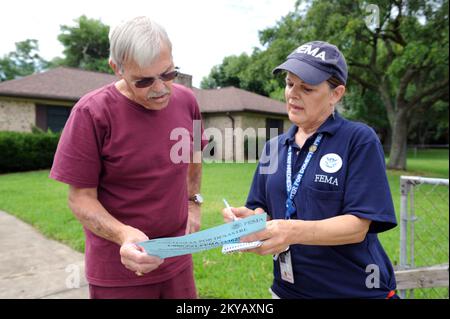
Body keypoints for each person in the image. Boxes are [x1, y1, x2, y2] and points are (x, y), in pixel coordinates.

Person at [223, 41, 398, 299]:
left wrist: (290, 231)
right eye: (289, 83)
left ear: (336, 94)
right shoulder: (273, 146)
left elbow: (358, 226)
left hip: (352, 291)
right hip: (287, 290)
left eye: (307, 88)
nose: (293, 94)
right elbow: (264, 211)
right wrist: (251, 221)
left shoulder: (358, 140)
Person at [50, 16, 207, 299]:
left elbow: (194, 156)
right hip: (118, 271)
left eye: (168, 74)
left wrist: (193, 203)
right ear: (117, 68)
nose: (160, 89)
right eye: (144, 81)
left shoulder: (188, 102)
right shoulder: (91, 113)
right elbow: (80, 198)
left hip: (178, 257)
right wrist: (123, 235)